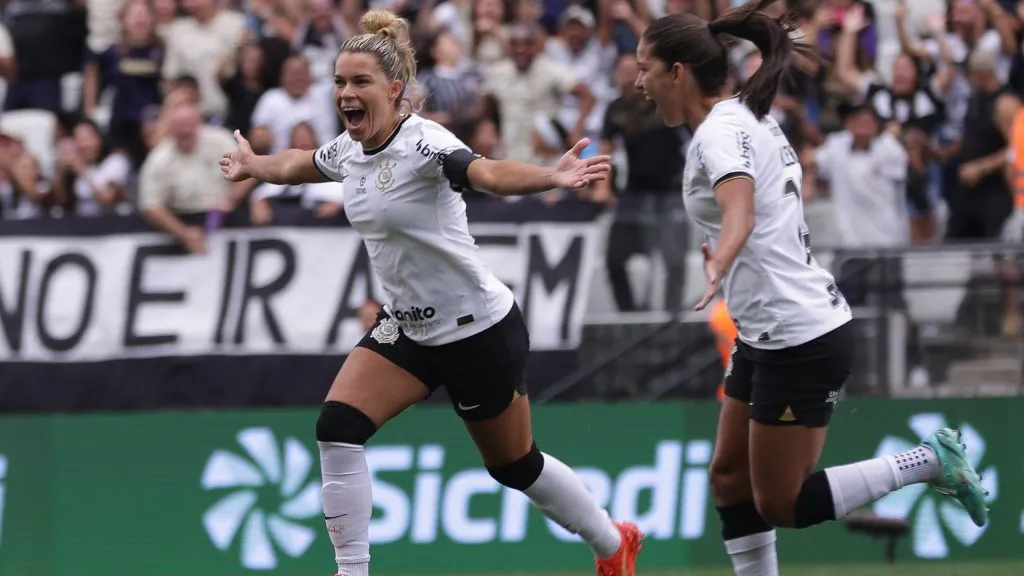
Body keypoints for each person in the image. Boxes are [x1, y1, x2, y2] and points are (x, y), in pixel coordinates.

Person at [219, 9, 643, 576]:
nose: (346, 93)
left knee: (515, 466)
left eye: (360, 82)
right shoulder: (349, 150)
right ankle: (352, 571)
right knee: (337, 428)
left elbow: (486, 173)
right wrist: (255, 165)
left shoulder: (425, 144)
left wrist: (551, 176)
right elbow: (301, 163)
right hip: (409, 329)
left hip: (478, 330)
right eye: (340, 82)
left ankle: (613, 543)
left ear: (395, 90)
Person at [634, 1, 989, 575]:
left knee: (784, 503)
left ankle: (927, 462)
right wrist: (726, 248)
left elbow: (742, 210)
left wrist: (720, 257)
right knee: (729, 476)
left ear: (677, 72)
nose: (638, 81)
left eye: (644, 66)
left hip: (795, 334)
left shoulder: (717, 136)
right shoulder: (745, 115)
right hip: (770, 329)